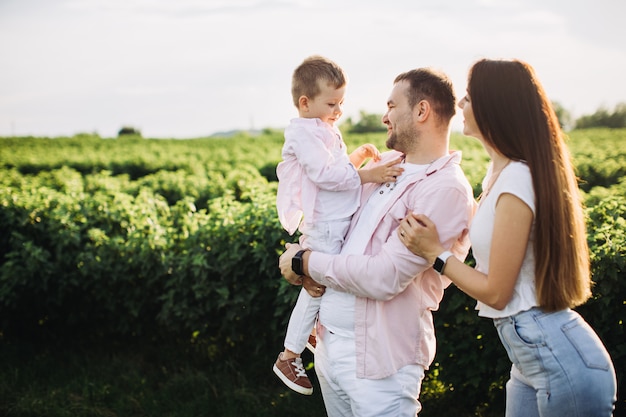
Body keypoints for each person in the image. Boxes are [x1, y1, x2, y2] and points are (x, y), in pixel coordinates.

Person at [398, 58, 617, 417]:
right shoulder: (497, 175)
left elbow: (497, 293)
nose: (461, 105)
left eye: (469, 98)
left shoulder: (517, 180)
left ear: (494, 106)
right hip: (531, 358)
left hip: (558, 359)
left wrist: (435, 254)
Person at [279, 67, 476, 416]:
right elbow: (334, 224)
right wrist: (301, 261)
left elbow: (383, 278)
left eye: (391, 106)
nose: (384, 117)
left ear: (421, 111)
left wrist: (305, 262)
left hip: (379, 365)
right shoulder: (384, 164)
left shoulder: (444, 188)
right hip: (329, 348)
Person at [273, 55, 404, 396]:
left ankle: (315, 331)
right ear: (305, 102)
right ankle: (290, 354)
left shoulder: (321, 128)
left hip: (334, 220)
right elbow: (325, 175)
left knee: (323, 282)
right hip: (327, 224)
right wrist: (367, 174)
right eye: (332, 103)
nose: (339, 111)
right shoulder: (303, 134)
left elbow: (334, 172)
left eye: (341, 103)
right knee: (316, 284)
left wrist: (356, 159)